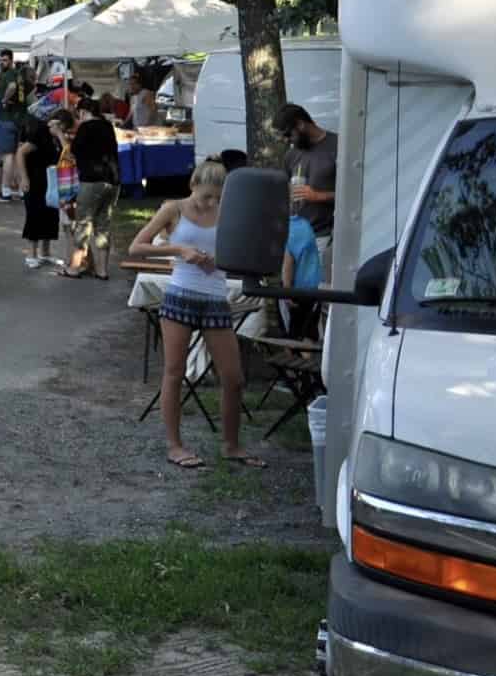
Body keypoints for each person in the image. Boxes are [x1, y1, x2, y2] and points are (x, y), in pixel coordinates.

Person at [129, 160, 266, 470]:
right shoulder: (173, 209)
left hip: (214, 298)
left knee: (233, 377)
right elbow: (136, 247)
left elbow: (240, 255)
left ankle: (232, 445)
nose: (211, 203)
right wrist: (179, 251)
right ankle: (174, 445)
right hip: (180, 295)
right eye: (206, 197)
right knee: (174, 372)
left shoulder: (226, 212)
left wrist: (222, 259)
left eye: (218, 198)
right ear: (193, 186)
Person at [63, 99, 121, 280]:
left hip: (92, 180)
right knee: (103, 225)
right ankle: (102, 271)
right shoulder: (107, 126)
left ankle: (75, 267)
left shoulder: (85, 127)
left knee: (83, 223)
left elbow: (72, 151)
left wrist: (59, 134)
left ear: (83, 111)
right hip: (112, 180)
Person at [275, 104, 337, 267]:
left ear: (301, 125)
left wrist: (317, 196)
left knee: (312, 288)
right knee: (289, 289)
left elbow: (352, 195)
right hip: (293, 233)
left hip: (322, 235)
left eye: (289, 134)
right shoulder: (291, 154)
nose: (287, 140)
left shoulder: (338, 146)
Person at [18, 111, 66, 268]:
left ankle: (45, 252)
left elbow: (67, 153)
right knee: (35, 214)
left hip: (51, 180)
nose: (64, 131)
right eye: (63, 128)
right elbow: (21, 153)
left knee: (51, 215)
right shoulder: (39, 133)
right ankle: (31, 253)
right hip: (35, 179)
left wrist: (60, 135)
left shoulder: (57, 138)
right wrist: (24, 178)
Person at [0, 50, 32, 202]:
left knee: (7, 156)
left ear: (11, 60)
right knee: (17, 155)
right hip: (19, 119)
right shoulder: (17, 74)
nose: (3, 63)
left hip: (7, 119)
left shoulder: (10, 75)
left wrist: (4, 100)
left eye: (5, 60)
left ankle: (6, 191)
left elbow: (12, 87)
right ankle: (22, 190)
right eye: (1, 60)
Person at [281, 213, 325, 339]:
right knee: (309, 334)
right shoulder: (303, 224)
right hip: (315, 287)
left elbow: (287, 264)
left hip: (295, 293)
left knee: (295, 336)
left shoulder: (287, 228)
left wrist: (287, 291)